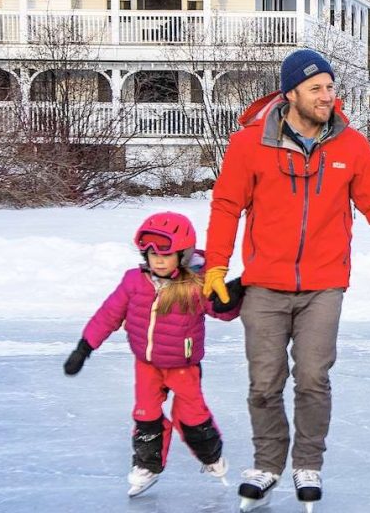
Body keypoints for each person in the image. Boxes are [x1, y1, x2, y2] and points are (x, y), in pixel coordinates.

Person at [204, 48, 370, 511]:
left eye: (330, 87)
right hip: (263, 285)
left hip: (325, 284)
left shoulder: (350, 146)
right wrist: (216, 266)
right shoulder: (251, 143)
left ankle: (307, 462)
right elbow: (227, 205)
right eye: (316, 88)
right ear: (290, 93)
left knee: (312, 377)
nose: (327, 96)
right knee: (264, 383)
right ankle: (268, 465)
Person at [63, 211, 242, 498]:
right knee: (145, 415)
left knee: (193, 417)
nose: (157, 259)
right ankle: (148, 465)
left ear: (182, 255)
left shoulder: (197, 283)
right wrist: (84, 347)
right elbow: (108, 315)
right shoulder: (134, 281)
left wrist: (230, 298)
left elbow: (221, 311)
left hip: (183, 366)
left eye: (166, 253)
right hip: (146, 365)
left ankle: (210, 456)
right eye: (150, 253)